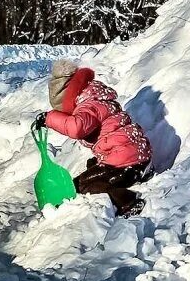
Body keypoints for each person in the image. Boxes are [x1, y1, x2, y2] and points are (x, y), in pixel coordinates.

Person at [43, 60, 152, 216]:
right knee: (91, 169)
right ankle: (142, 171)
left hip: (126, 164)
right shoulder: (94, 97)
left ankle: (128, 201)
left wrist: (49, 118)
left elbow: (76, 128)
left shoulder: (88, 106)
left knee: (82, 186)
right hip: (136, 156)